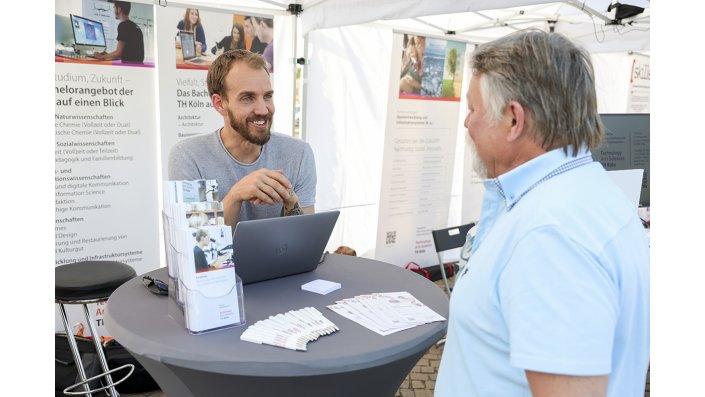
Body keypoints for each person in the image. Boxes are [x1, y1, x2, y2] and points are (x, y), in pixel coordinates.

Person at [435, 31, 650, 397]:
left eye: (473, 109)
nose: (467, 124)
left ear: (514, 119)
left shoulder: (550, 234)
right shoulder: (585, 195)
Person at [168, 50, 316, 228]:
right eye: (247, 98)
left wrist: (290, 200)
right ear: (219, 103)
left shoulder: (298, 153)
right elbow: (200, 248)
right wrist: (235, 196)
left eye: (267, 96)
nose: (263, 109)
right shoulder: (188, 156)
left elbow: (305, 242)